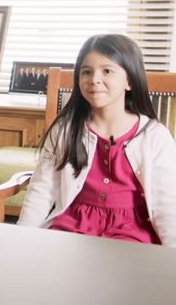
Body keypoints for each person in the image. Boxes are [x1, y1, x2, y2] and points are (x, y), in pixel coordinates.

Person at [17, 34, 176, 247]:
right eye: (86, 71)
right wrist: (19, 240)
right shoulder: (65, 129)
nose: (94, 79)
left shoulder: (154, 135)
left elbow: (167, 204)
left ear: (129, 80)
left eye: (107, 70)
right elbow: (42, 191)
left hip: (131, 232)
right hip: (72, 226)